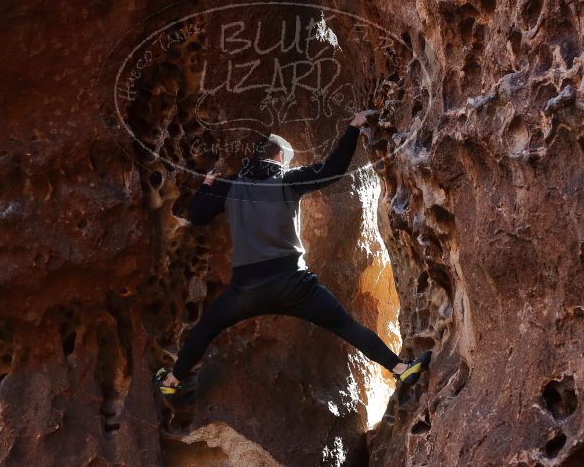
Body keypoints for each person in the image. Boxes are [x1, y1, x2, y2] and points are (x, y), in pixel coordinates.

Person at [155, 111, 431, 396]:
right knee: (345, 325)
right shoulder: (288, 180)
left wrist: (206, 187)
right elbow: (332, 168)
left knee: (207, 327)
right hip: (294, 285)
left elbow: (198, 215)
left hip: (246, 290)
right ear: (277, 157)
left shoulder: (230, 187)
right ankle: (400, 369)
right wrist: (352, 128)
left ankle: (172, 382)